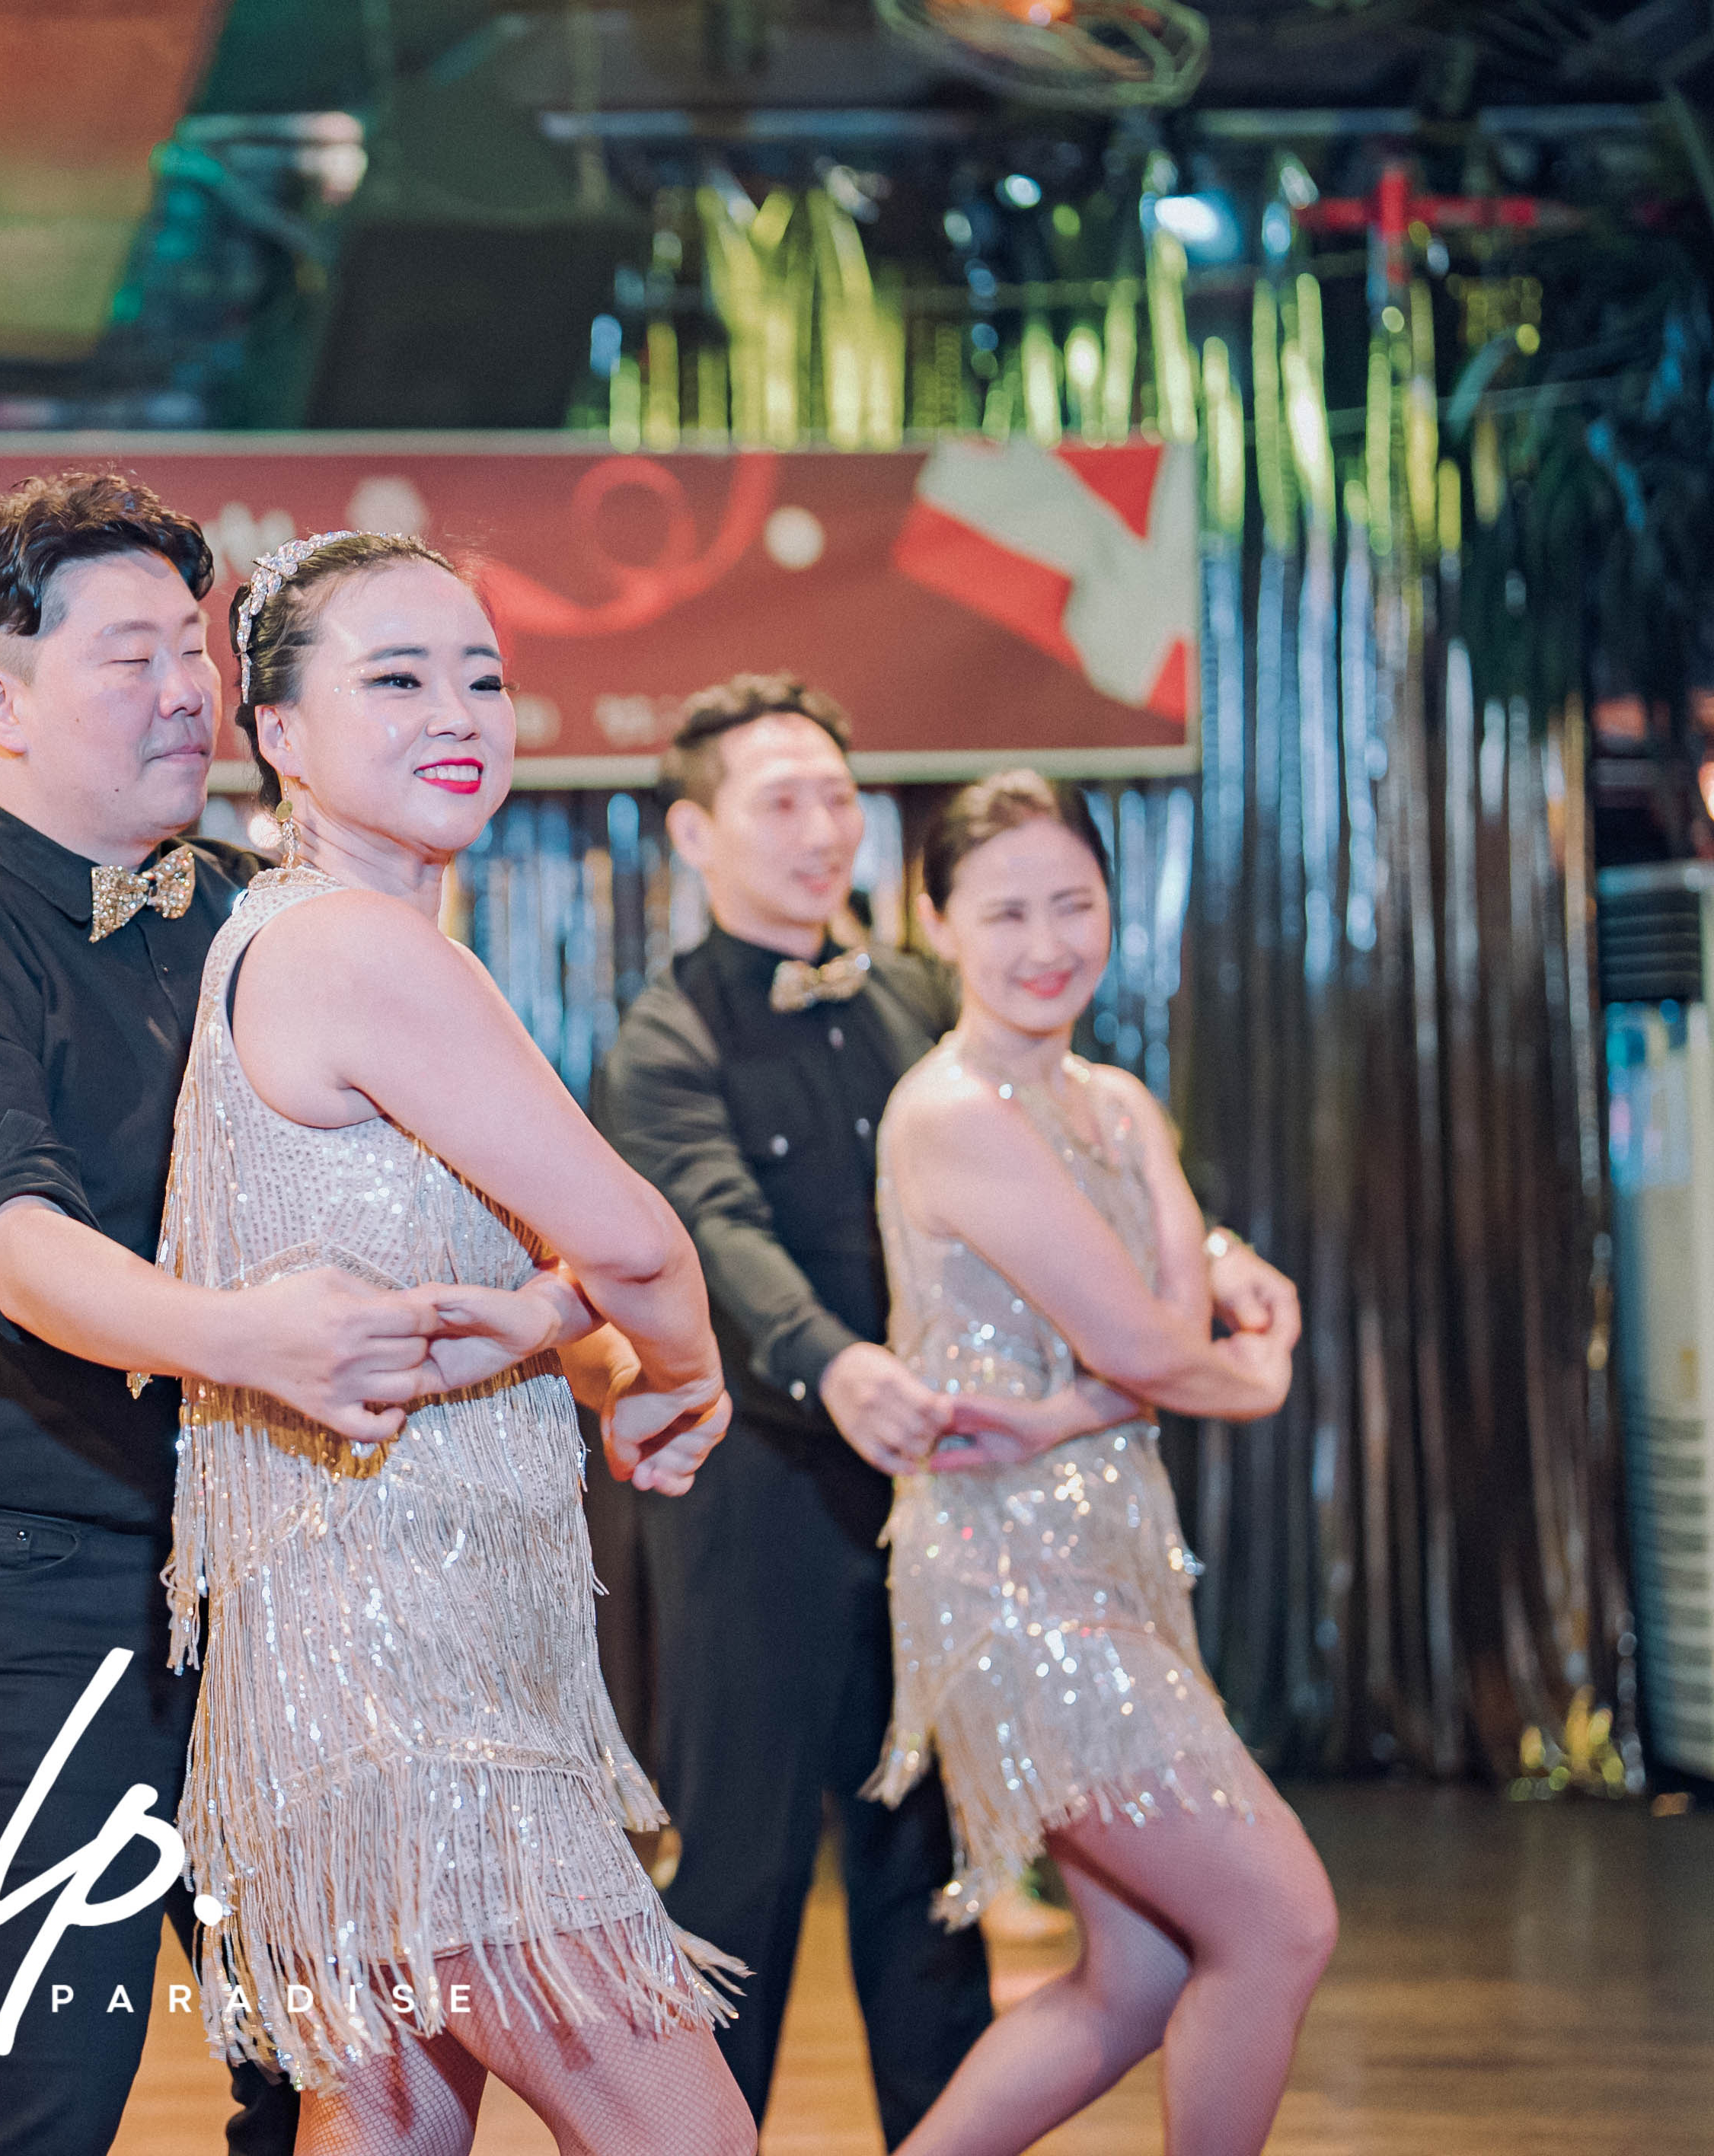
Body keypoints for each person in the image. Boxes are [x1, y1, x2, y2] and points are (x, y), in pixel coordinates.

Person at [0, 473, 491, 2156]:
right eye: (132, 657)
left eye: (195, 647)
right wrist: (249, 1338)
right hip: (28, 1587)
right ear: (2, 702)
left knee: (345, 2075)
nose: (188, 689)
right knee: (32, 2107)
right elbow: (17, 1245)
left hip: (271, 1576)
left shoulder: (262, 913)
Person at [590, 678, 1297, 2146]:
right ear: (696, 834)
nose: (819, 831)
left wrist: (1219, 1250)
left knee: (929, 1879)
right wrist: (832, 1358)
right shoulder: (663, 1037)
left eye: (839, 798)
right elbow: (714, 1223)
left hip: (945, 1491)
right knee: (739, 1872)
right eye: (781, 802)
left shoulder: (923, 991)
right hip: (764, 1489)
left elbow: (1069, 1177)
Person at [160, 530, 751, 2156]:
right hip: (412, 1697)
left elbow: (543, 1265)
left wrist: (556, 1310)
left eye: (482, 677)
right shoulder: (357, 948)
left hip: (381, 1668)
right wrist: (687, 1375)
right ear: (279, 733)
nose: (459, 713)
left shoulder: (319, 937)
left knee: (396, 2136)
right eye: (400, 678)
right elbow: (636, 1240)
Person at [866, 771, 1329, 2156]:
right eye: (1005, 912)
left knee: (1139, 1976)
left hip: (1111, 1552)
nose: (1047, 943)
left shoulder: (1114, 1102)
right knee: (1280, 1922)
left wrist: (1203, 1290)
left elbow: (1164, 1310)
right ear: (935, 920)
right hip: (1012, 1583)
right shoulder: (953, 1110)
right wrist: (1246, 1378)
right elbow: (1151, 1344)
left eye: (1074, 903)